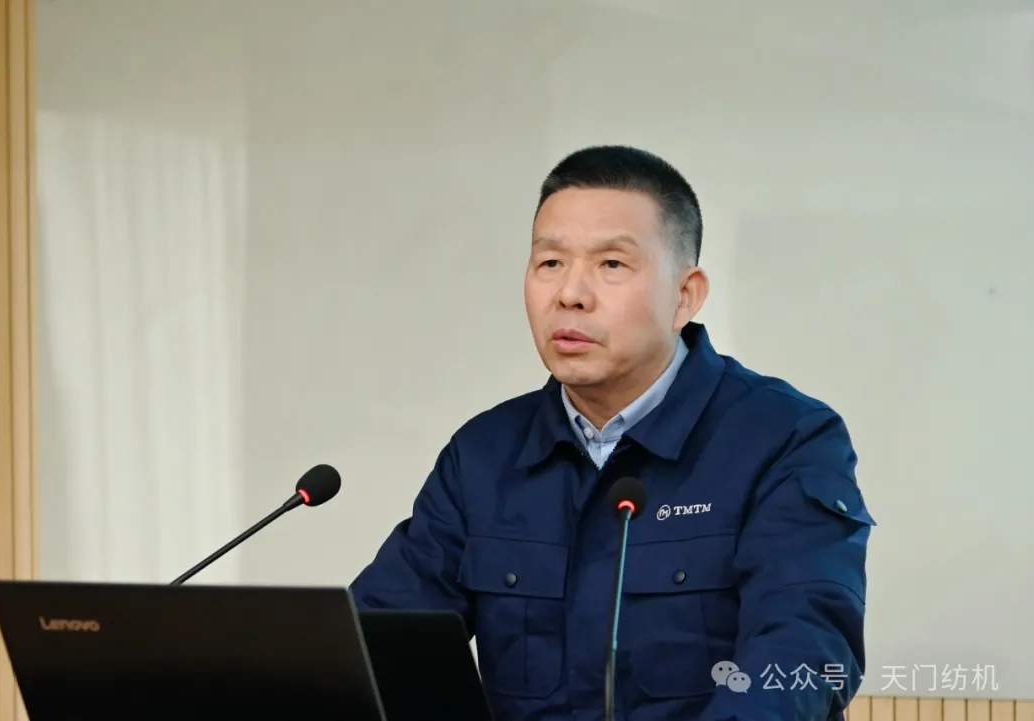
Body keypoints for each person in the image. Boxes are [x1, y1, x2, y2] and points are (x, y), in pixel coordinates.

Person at [350, 145, 875, 721]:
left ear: (685, 295)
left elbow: (800, 653)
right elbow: (379, 642)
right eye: (550, 263)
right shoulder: (484, 455)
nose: (570, 294)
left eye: (612, 265)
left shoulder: (783, 439)